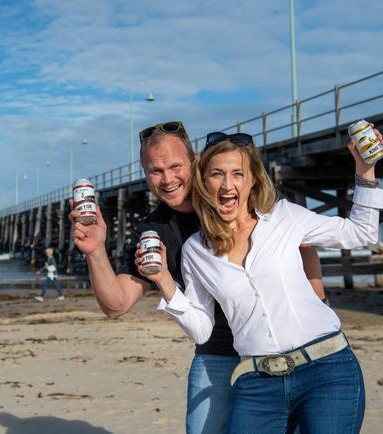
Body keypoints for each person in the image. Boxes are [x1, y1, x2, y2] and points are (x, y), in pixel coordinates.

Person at [70, 121, 326, 433]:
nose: (167, 179)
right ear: (144, 172)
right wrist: (95, 250)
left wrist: (318, 296)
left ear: (194, 159)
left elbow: (302, 238)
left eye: (175, 166)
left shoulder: (236, 193)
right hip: (217, 354)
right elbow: (116, 304)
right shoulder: (155, 231)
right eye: (156, 171)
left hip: (282, 351)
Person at [149, 129, 383, 433]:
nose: (227, 185)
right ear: (203, 182)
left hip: (327, 371)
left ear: (252, 181)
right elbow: (201, 330)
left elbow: (361, 232)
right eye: (216, 174)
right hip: (257, 382)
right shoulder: (195, 250)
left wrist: (365, 169)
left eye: (237, 174)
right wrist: (165, 282)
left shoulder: (284, 217)